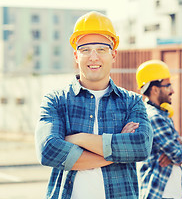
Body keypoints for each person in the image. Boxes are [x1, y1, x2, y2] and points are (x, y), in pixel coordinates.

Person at [35, 11, 153, 199]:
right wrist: (117, 150)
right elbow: (48, 150)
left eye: (101, 49)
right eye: (85, 50)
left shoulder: (133, 102)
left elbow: (141, 146)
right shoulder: (56, 101)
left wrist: (77, 138)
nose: (94, 57)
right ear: (76, 55)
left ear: (113, 54)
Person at [136, 60, 182, 199]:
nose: (173, 90)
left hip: (169, 191)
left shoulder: (160, 114)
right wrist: (179, 148)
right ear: (155, 89)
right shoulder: (155, 117)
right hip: (161, 192)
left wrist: (177, 150)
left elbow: (178, 153)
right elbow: (179, 155)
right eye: (168, 86)